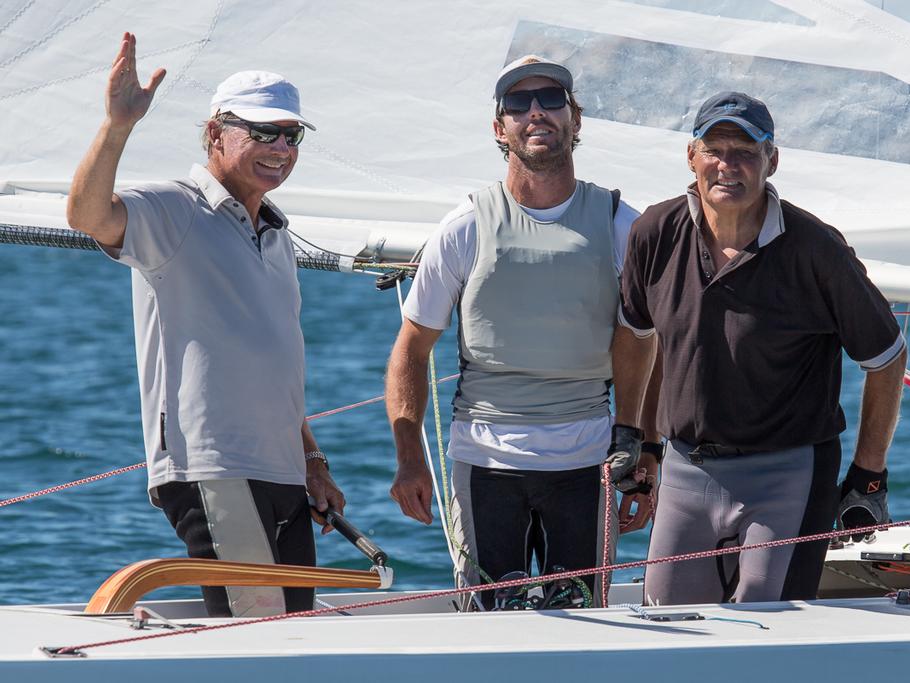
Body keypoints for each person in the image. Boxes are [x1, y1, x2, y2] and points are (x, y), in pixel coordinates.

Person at [66, 33, 344, 617]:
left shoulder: (275, 231)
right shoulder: (174, 209)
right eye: (262, 132)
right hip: (215, 468)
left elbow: (272, 367)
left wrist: (312, 462)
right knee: (264, 638)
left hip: (281, 471)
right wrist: (118, 126)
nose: (280, 147)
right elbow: (89, 216)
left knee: (291, 628)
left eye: (291, 135)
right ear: (216, 133)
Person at [610, 91, 907, 605]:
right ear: (691, 157)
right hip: (685, 471)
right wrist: (639, 439)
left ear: (773, 160)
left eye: (747, 152)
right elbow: (641, 337)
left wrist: (868, 475)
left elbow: (886, 358)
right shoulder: (653, 233)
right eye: (715, 150)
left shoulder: (817, 250)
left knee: (770, 628)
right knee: (667, 628)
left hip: (787, 475)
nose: (729, 166)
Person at [385, 55, 646, 609]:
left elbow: (648, 345)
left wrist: (648, 450)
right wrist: (409, 459)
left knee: (584, 619)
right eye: (518, 104)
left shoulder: (622, 225)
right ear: (498, 127)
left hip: (588, 462)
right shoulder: (464, 227)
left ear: (575, 118)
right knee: (487, 621)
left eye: (551, 100)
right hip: (484, 464)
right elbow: (411, 350)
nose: (536, 113)